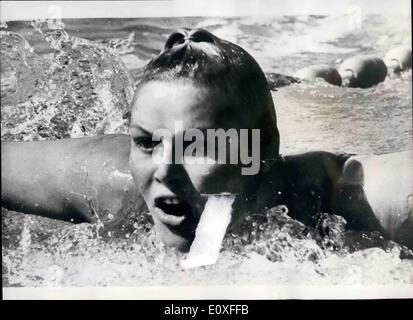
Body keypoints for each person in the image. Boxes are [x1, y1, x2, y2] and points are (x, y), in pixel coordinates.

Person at [1, 28, 410, 251]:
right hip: (241, 104)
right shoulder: (114, 183)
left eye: (198, 146)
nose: (163, 170)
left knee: (345, 79)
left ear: (262, 152)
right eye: (145, 143)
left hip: (315, 111)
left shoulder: (345, 196)